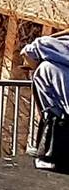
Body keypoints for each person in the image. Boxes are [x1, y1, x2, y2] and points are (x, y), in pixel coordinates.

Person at [25, 33, 69, 171]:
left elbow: (28, 51)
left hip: (59, 105)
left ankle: (47, 155)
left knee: (53, 117)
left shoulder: (46, 54)